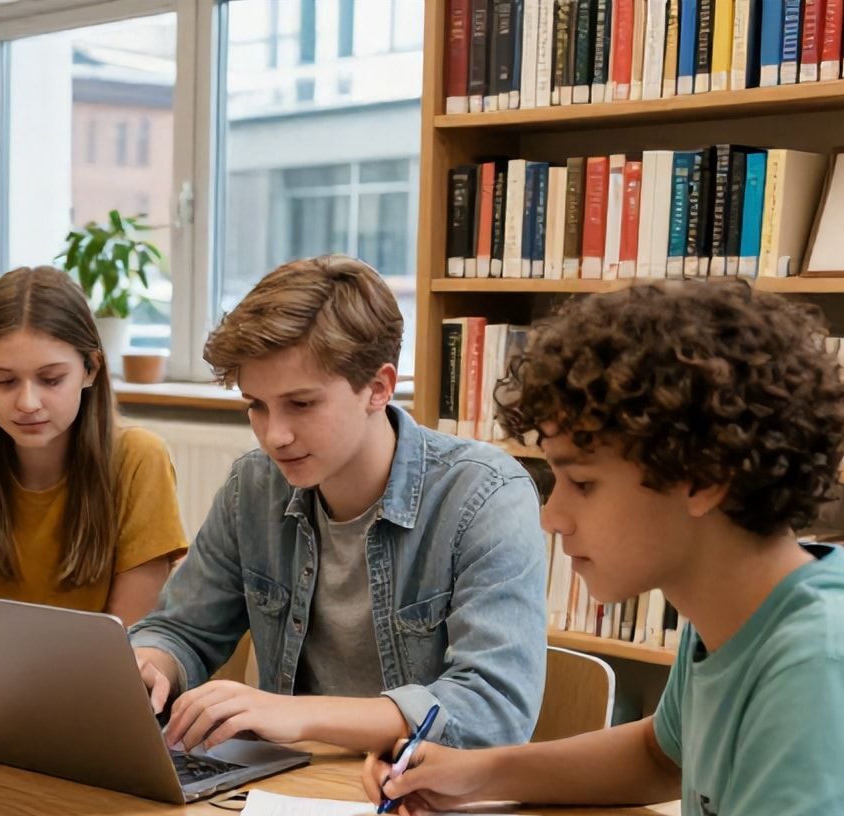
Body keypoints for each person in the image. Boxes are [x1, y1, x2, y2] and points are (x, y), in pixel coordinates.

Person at [337, 280, 844, 816]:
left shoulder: (826, 670)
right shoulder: (737, 613)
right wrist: (476, 772)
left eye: (581, 481)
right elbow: (662, 753)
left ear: (703, 479)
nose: (552, 515)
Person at [135, 255, 547, 755]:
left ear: (378, 388)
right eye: (256, 406)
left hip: (420, 800)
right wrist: (150, 663)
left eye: (301, 404)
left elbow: (493, 712)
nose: (274, 435)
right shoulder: (253, 487)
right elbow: (183, 630)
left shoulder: (485, 495)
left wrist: (297, 715)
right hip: (283, 793)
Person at [0, 265, 187, 665]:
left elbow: (129, 641)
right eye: (5, 381)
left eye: (51, 379)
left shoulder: (139, 460)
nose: (27, 403)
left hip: (85, 701)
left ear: (90, 369)